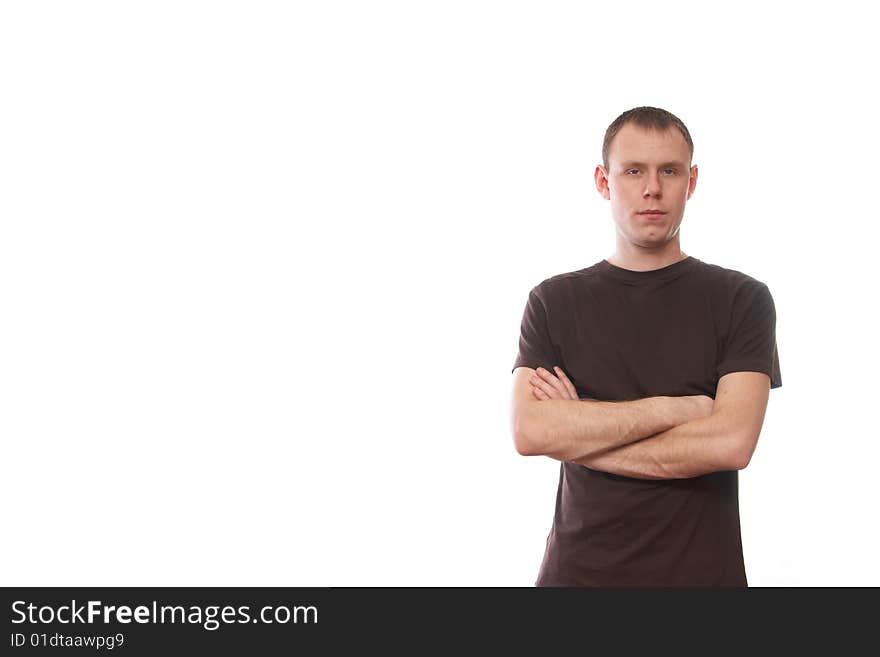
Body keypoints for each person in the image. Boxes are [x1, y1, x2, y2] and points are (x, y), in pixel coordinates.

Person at [509, 106, 782, 587]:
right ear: (603, 180)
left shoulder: (741, 299)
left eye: (669, 171)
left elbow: (731, 443)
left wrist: (580, 437)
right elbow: (530, 431)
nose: (651, 188)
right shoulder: (553, 301)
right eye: (633, 170)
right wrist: (679, 410)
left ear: (691, 181)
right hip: (576, 580)